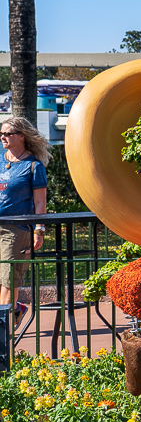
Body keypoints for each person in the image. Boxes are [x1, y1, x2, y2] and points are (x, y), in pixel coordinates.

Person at [0, 117, 48, 318]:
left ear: (21, 137)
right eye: (1, 133)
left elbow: (40, 203)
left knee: (8, 279)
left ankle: (4, 330)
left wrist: (39, 230)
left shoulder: (34, 167)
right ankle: (16, 310)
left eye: (8, 134)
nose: (3, 137)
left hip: (17, 229)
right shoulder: (1, 160)